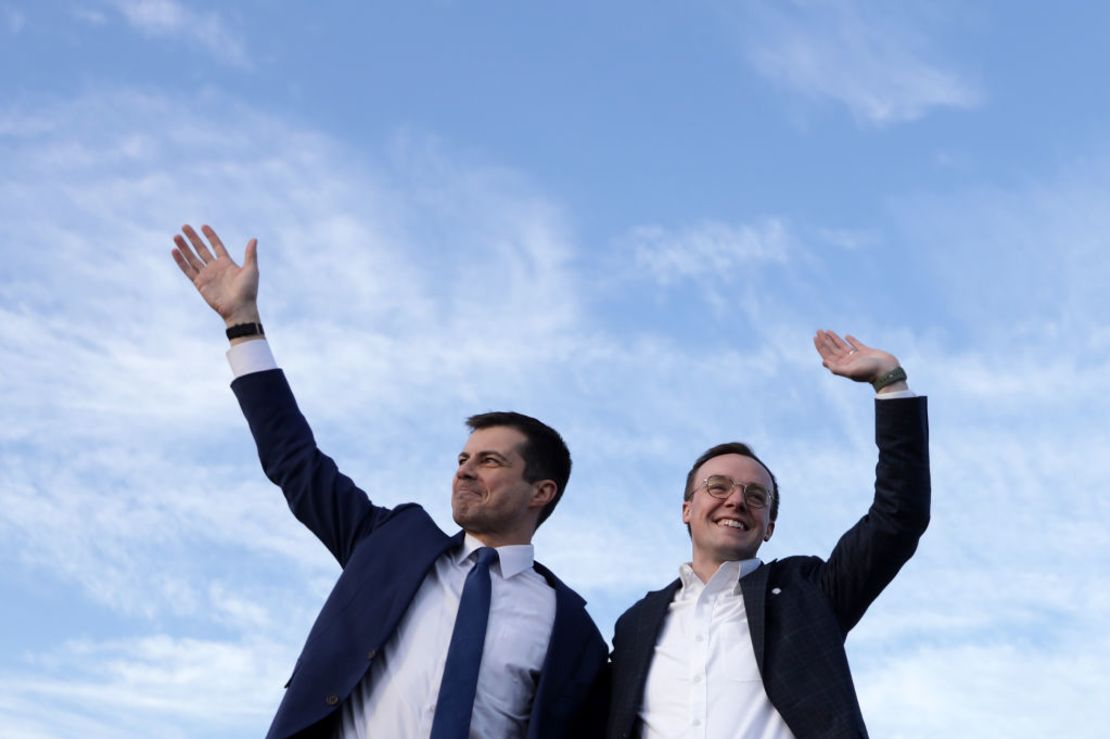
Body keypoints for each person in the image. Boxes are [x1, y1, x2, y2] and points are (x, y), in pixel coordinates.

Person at [170, 224, 608, 739]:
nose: (464, 470)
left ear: (542, 491)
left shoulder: (571, 629)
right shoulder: (391, 542)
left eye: (489, 460)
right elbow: (295, 460)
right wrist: (243, 324)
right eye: (462, 458)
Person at [606, 330, 930, 739]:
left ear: (770, 526)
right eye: (718, 487)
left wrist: (889, 382)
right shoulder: (636, 623)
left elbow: (897, 517)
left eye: (756, 495)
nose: (736, 501)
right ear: (687, 509)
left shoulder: (810, 594)